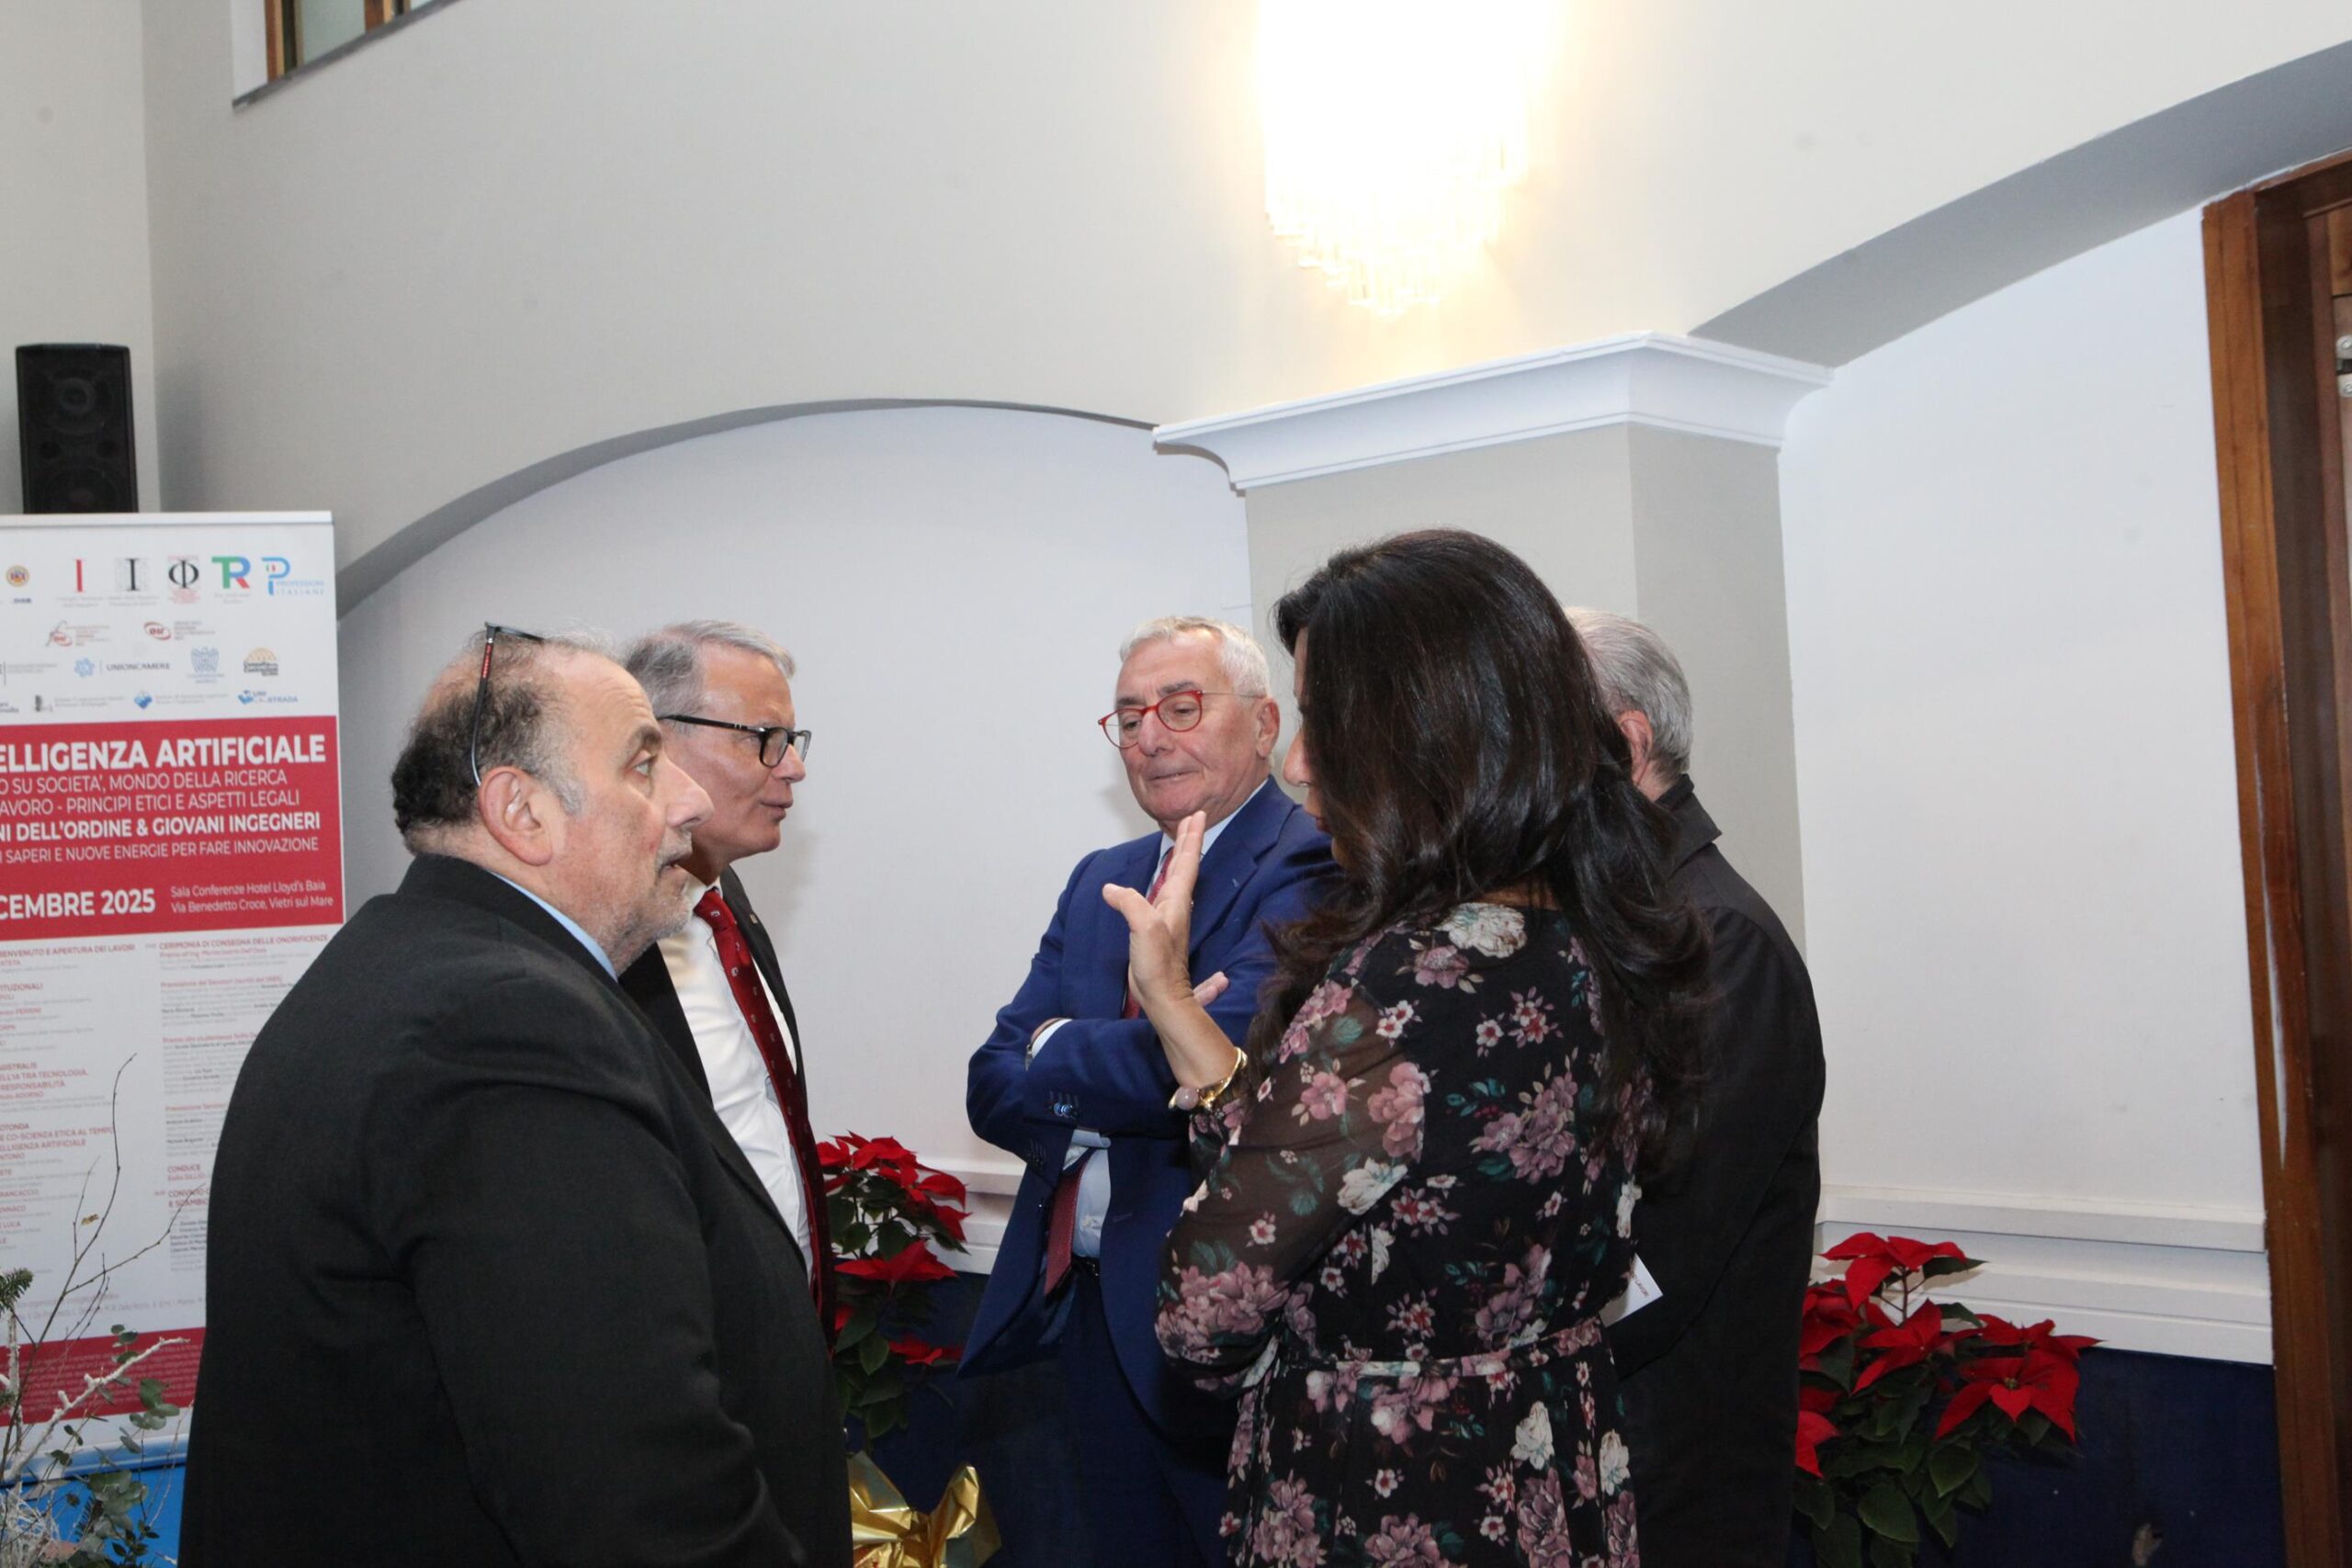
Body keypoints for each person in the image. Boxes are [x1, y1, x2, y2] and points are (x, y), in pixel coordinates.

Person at [181, 626, 851, 1568]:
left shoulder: (402, 962)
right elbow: (633, 1501)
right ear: (522, 813)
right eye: (644, 764)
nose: (690, 800)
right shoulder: (508, 1028)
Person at [1115, 531, 1711, 1568]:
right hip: (1550, 1478)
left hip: (1391, 1497)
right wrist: (1173, 1005)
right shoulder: (1593, 935)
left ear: (1422, 734)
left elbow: (1200, 1314)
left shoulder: (1405, 982)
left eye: (1321, 720)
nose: (1300, 763)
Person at [964, 615, 1332, 1568]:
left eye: (1181, 707)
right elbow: (991, 1078)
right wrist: (1139, 1048)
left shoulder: (1309, 862)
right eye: (1129, 718)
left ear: (1263, 724)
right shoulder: (1105, 877)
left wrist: (1060, 1050)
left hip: (1225, 1324)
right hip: (1086, 1310)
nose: (1150, 737)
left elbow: (1226, 1059)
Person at [1566, 607, 1825, 1568]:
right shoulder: (1614, 918)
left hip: (1668, 1473)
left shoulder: (1719, 940)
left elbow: (1661, 1251)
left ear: (1628, 743)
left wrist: (1499, 1373)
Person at [619, 621, 832, 1333]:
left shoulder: (726, 899)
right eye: (764, 738)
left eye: (792, 741)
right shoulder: (604, 940)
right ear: (655, 743)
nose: (792, 768)